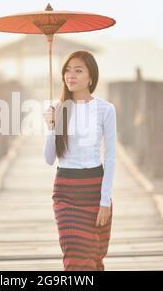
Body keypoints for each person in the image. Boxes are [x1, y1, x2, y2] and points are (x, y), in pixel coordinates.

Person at [43, 50, 117, 271]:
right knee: (75, 255)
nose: (70, 75)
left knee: (94, 258)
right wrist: (50, 128)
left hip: (94, 190)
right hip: (65, 191)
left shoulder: (105, 109)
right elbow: (49, 159)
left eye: (78, 70)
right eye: (67, 70)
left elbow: (111, 157)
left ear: (90, 77)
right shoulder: (57, 108)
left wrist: (105, 201)